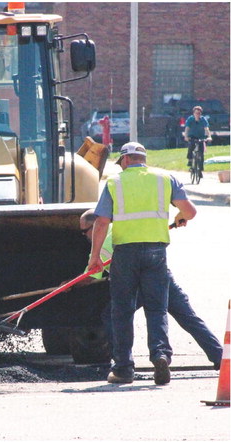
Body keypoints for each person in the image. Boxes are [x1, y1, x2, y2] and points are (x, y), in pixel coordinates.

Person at [88, 142, 197, 385]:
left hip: (125, 253)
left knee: (123, 311)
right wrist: (179, 217)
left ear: (125, 160)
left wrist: (94, 257)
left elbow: (102, 222)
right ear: (143, 159)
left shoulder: (115, 183)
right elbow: (189, 212)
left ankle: (124, 369)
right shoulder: (165, 178)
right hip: (156, 251)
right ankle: (160, 354)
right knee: (157, 308)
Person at [79, 209, 222, 373]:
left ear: (94, 226)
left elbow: (90, 276)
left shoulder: (102, 242)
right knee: (188, 317)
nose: (85, 236)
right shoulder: (119, 229)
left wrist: (69, 285)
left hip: (139, 282)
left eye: (84, 231)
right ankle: (219, 356)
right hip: (160, 275)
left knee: (112, 315)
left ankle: (121, 363)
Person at [184, 105, 212, 172]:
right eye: (196, 113)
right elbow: (187, 128)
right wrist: (186, 136)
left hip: (201, 137)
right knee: (191, 147)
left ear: (201, 114)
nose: (197, 114)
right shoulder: (190, 119)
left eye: (199, 113)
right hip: (192, 136)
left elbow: (207, 129)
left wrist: (209, 136)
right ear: (193, 113)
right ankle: (190, 160)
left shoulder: (203, 119)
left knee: (201, 152)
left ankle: (201, 168)